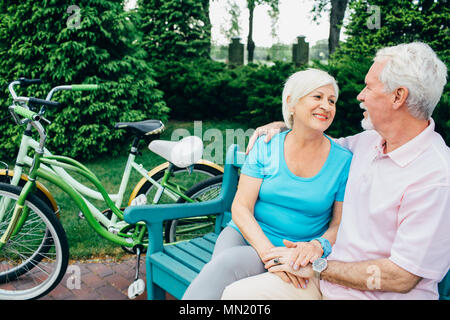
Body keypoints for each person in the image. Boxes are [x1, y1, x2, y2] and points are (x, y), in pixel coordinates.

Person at [221, 42, 450, 300]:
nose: (360, 96)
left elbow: (401, 277)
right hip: (322, 282)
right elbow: (312, 141)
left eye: (369, 87)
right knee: (236, 296)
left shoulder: (436, 178)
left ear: (398, 97)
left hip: (365, 292)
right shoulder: (369, 142)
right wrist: (282, 125)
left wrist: (318, 266)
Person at [182, 69, 353, 299]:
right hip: (244, 235)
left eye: (332, 101)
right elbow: (241, 207)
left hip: (296, 254)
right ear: (291, 103)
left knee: (230, 282)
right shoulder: (267, 146)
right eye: (317, 97)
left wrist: (317, 245)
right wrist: (269, 255)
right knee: (226, 271)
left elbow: (337, 224)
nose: (326, 105)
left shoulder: (342, 160)